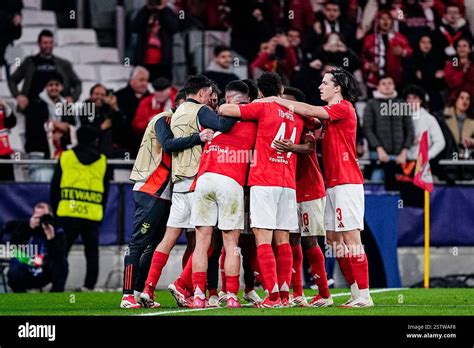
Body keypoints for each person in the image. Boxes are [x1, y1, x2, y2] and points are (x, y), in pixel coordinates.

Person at [256, 68, 374, 308]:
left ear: (337, 87)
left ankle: (364, 294)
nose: (320, 87)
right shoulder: (330, 115)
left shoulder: (344, 107)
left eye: (325, 83)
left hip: (347, 182)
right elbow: (311, 117)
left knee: (351, 238)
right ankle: (354, 291)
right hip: (332, 184)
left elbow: (308, 110)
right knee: (333, 240)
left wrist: (276, 100)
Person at [141, 75, 236, 305]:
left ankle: (148, 288)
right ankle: (188, 288)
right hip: (197, 181)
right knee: (207, 242)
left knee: (168, 240)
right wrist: (236, 110)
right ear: (202, 93)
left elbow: (172, 144)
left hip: (179, 183)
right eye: (208, 94)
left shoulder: (177, 113)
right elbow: (223, 125)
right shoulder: (200, 110)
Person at [219, 72, 305, 308]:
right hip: (288, 183)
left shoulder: (261, 107)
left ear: (259, 92)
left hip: (264, 180)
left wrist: (257, 102)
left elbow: (226, 110)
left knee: (263, 239)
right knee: (284, 240)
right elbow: (315, 126)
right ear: (281, 89)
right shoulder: (295, 111)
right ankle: (285, 296)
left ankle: (273, 296)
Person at [120, 90, 213, 308]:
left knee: (155, 245)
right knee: (137, 245)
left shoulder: (176, 120)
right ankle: (126, 295)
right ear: (179, 104)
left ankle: (143, 292)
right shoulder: (162, 119)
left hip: (165, 192)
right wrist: (198, 137)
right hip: (151, 189)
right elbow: (169, 144)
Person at [189, 80, 257, 308]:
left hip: (205, 179)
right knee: (231, 244)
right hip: (231, 181)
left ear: (227, 98)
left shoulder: (211, 121)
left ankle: (199, 296)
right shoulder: (253, 121)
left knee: (201, 242)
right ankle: (231, 296)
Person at [275, 86, 332, 308]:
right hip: (288, 188)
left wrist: (291, 147)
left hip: (310, 189)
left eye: (288, 102)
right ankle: (297, 293)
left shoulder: (306, 123)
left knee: (310, 241)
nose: (285, 106)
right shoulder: (281, 123)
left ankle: (324, 293)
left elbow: (309, 147)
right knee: (292, 240)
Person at [50, 126, 111, 291]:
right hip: (92, 214)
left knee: (62, 252)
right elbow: (106, 191)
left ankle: (57, 286)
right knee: (91, 252)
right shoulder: (102, 160)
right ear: (95, 140)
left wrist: (56, 212)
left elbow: (54, 187)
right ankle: (89, 286)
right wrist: (101, 211)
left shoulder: (65, 156)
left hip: (68, 213)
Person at [24, 73, 80, 182]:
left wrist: (64, 132)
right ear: (46, 87)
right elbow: (31, 128)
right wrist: (53, 126)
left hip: (62, 154)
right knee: (41, 186)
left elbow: (75, 126)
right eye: (50, 85)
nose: (54, 87)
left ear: (61, 87)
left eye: (57, 85)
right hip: (40, 155)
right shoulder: (34, 104)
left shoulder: (67, 106)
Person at [8, 29, 81, 111]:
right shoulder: (29, 62)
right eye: (45, 43)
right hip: (33, 106)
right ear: (39, 44)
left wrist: (73, 98)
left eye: (50, 42)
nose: (48, 45)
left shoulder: (64, 64)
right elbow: (12, 80)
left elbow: (77, 83)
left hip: (58, 108)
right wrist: (18, 95)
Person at [7, 202, 68, 293]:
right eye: (37, 216)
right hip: (27, 269)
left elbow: (60, 255)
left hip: (46, 271)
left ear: (51, 216)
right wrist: (29, 228)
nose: (40, 220)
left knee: (62, 264)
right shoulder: (24, 226)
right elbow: (13, 249)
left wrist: (51, 237)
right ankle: (23, 300)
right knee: (14, 270)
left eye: (44, 217)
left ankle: (55, 299)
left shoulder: (57, 230)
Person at [363, 76, 414, 183]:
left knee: (401, 189)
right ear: (378, 87)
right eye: (384, 83)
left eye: (390, 83)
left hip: (400, 157)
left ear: (394, 86)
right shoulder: (371, 104)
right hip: (377, 156)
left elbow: (410, 130)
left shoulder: (402, 104)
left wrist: (404, 152)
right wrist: (379, 149)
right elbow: (368, 129)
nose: (387, 86)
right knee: (376, 184)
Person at [361, 10, 413, 89]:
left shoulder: (399, 38)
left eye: (388, 18)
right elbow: (362, 56)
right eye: (382, 19)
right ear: (377, 21)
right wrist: (369, 65)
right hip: (374, 81)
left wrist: (402, 52)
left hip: (395, 80)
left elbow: (410, 51)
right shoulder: (369, 39)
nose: (385, 21)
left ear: (391, 21)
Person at [131, 0, 179, 81]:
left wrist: (163, 9)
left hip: (163, 64)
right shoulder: (144, 11)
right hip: (143, 62)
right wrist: (146, 9)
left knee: (162, 88)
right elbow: (134, 27)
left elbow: (175, 28)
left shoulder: (167, 11)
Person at [113, 66, 151, 158]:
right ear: (132, 80)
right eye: (141, 80)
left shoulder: (151, 98)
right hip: (123, 143)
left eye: (146, 80)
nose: (145, 84)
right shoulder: (118, 97)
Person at [403, 34, 446, 113]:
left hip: (434, 95)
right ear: (418, 43)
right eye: (423, 42)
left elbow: (440, 78)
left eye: (429, 42)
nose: (426, 45)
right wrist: (431, 75)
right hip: (416, 96)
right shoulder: (411, 59)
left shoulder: (438, 58)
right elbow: (414, 77)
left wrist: (425, 74)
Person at [82, 84, 122, 157]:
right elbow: (84, 131)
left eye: (102, 95)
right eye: (96, 94)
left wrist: (114, 106)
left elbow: (121, 124)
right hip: (88, 150)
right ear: (90, 95)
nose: (99, 97)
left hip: (107, 151)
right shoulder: (85, 108)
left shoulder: (109, 109)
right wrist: (101, 127)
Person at [444, 36, 474, 107]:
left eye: (464, 46)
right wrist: (463, 71)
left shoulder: (472, 63)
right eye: (459, 46)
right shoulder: (455, 61)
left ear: (470, 49)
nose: (461, 49)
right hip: (455, 98)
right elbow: (452, 82)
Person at [0, 99, 17, 181]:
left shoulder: (2, 109)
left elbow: (12, 122)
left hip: (4, 153)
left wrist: (5, 105)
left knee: (8, 184)